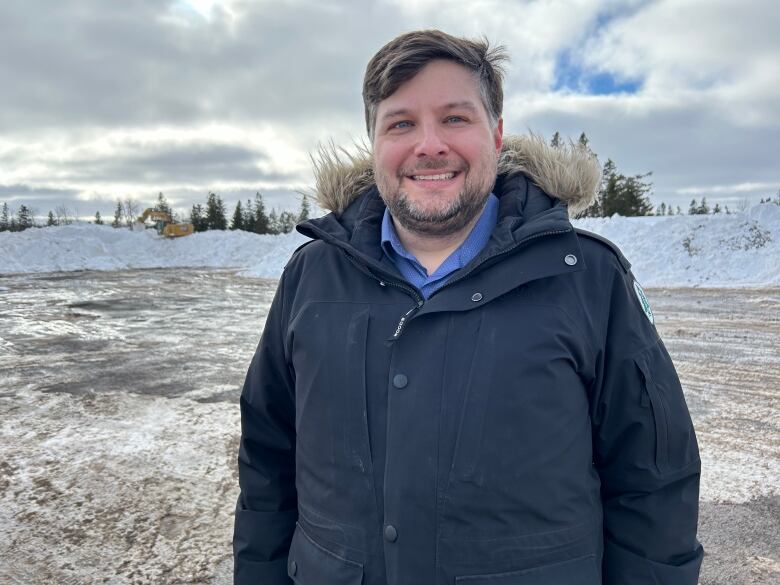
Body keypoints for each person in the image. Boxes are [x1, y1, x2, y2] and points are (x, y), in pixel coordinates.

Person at [233, 29, 703, 585]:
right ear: (374, 142)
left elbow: (653, 482)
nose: (429, 145)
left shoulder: (588, 278)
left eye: (455, 119)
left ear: (497, 135)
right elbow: (267, 460)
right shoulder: (310, 277)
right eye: (401, 123)